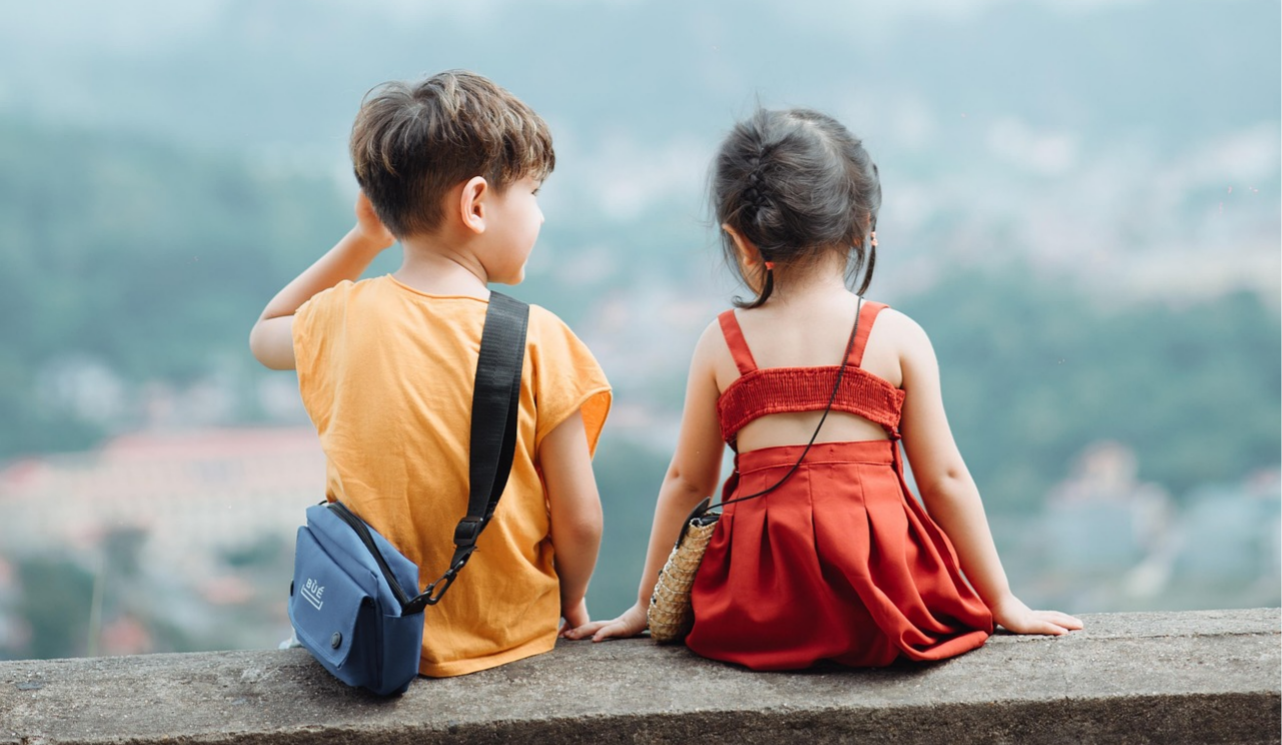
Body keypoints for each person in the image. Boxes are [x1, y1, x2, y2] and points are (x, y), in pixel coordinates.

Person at [567, 108, 1081, 669]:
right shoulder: (896, 336)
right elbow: (944, 478)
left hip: (756, 609)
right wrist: (1003, 600)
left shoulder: (721, 343)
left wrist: (647, 603)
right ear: (863, 226)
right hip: (884, 600)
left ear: (740, 239)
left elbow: (688, 482)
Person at [249, 71, 611, 677]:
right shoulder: (541, 339)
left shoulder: (339, 318)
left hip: (374, 634)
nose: (540, 217)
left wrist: (365, 240)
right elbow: (581, 520)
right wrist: (569, 598)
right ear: (475, 204)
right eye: (531, 193)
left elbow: (266, 333)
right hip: (508, 641)